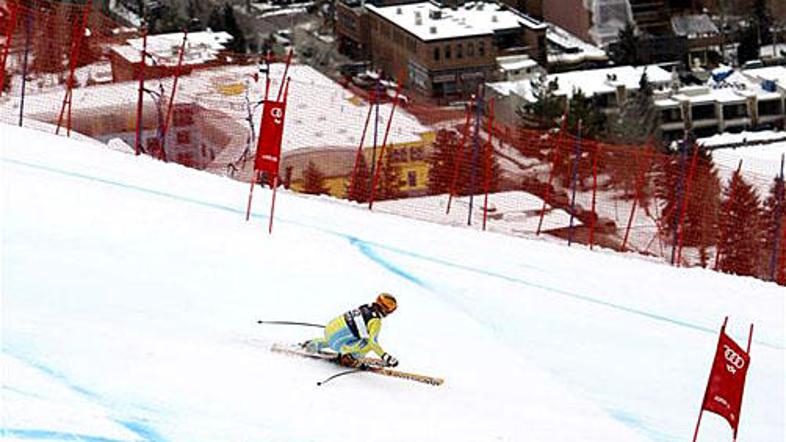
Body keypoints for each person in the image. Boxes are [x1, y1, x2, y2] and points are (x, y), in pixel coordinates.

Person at [303, 293, 399, 368]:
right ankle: (349, 359)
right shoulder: (375, 321)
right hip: (338, 342)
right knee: (368, 344)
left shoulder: (365, 307)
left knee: (350, 334)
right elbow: (373, 342)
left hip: (329, 331)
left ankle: (315, 344)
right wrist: (385, 356)